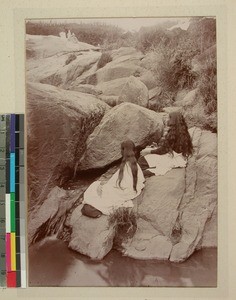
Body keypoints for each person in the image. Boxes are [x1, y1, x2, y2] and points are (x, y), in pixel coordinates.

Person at [82, 140, 145, 216]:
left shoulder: (127, 165)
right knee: (100, 186)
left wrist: (106, 186)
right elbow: (141, 180)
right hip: (131, 191)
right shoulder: (135, 164)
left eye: (121, 149)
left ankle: (93, 209)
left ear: (123, 151)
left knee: (95, 185)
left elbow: (122, 185)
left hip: (124, 192)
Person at [139, 111, 193, 177]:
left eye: (169, 118)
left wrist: (148, 151)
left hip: (173, 159)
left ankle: (143, 174)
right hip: (180, 158)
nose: (167, 119)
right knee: (147, 158)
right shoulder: (184, 132)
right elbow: (170, 148)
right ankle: (145, 172)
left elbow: (163, 151)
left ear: (173, 120)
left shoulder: (173, 133)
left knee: (142, 159)